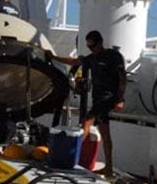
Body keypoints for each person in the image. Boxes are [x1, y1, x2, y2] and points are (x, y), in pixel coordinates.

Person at [50, 30, 126, 176]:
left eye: (94, 46)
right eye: (89, 47)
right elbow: (74, 61)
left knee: (86, 121)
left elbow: (122, 79)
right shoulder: (92, 58)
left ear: (100, 42)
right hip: (97, 97)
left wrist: (120, 99)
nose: (92, 49)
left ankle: (70, 159)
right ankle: (108, 168)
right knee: (105, 132)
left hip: (108, 97)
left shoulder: (113, 56)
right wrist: (54, 57)